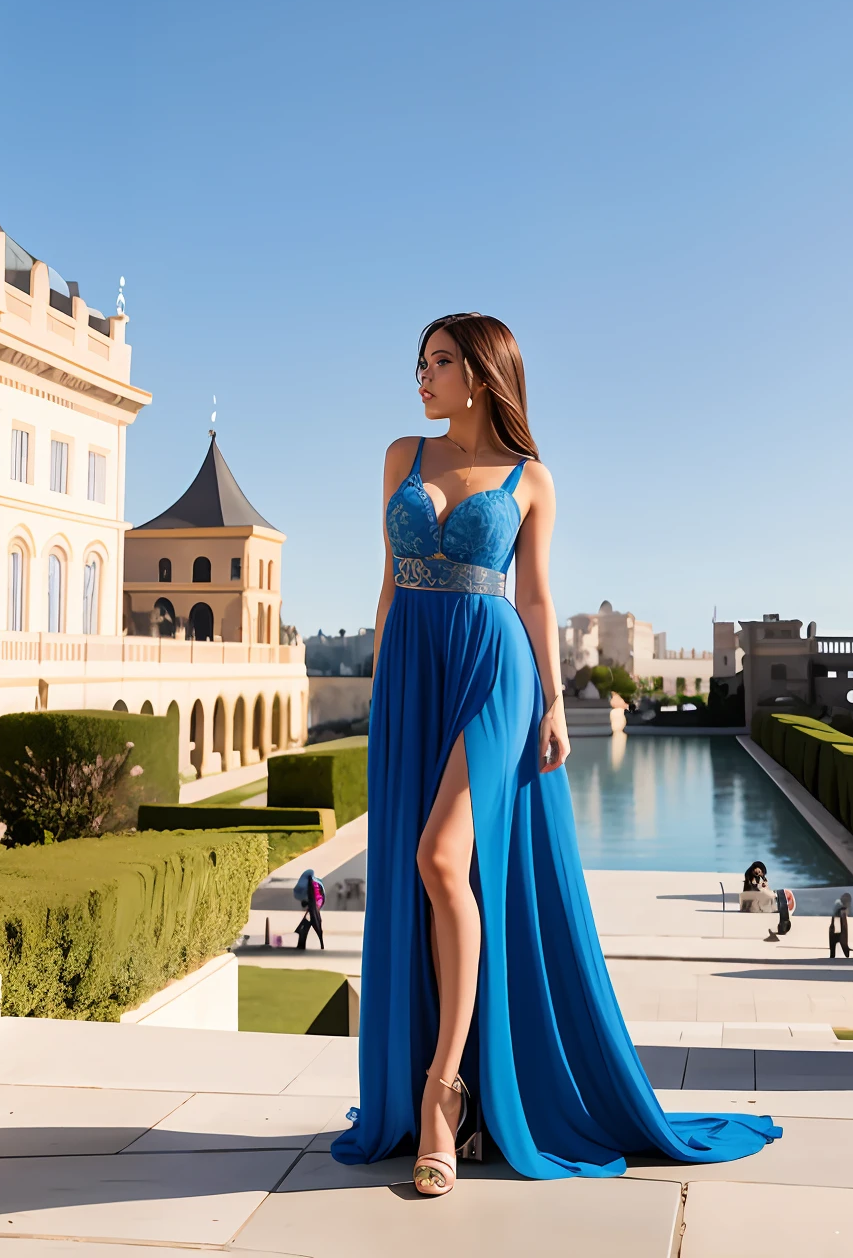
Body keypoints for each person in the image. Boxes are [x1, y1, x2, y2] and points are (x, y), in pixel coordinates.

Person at [332, 314, 780, 1194]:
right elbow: (386, 584)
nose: (422, 377)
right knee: (424, 872)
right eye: (419, 363)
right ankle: (439, 1081)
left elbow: (535, 598)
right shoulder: (400, 456)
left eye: (440, 362)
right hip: (414, 675)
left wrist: (553, 701)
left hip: (492, 672)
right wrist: (382, 694)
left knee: (440, 858)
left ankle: (442, 1092)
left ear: (484, 374)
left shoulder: (530, 479)